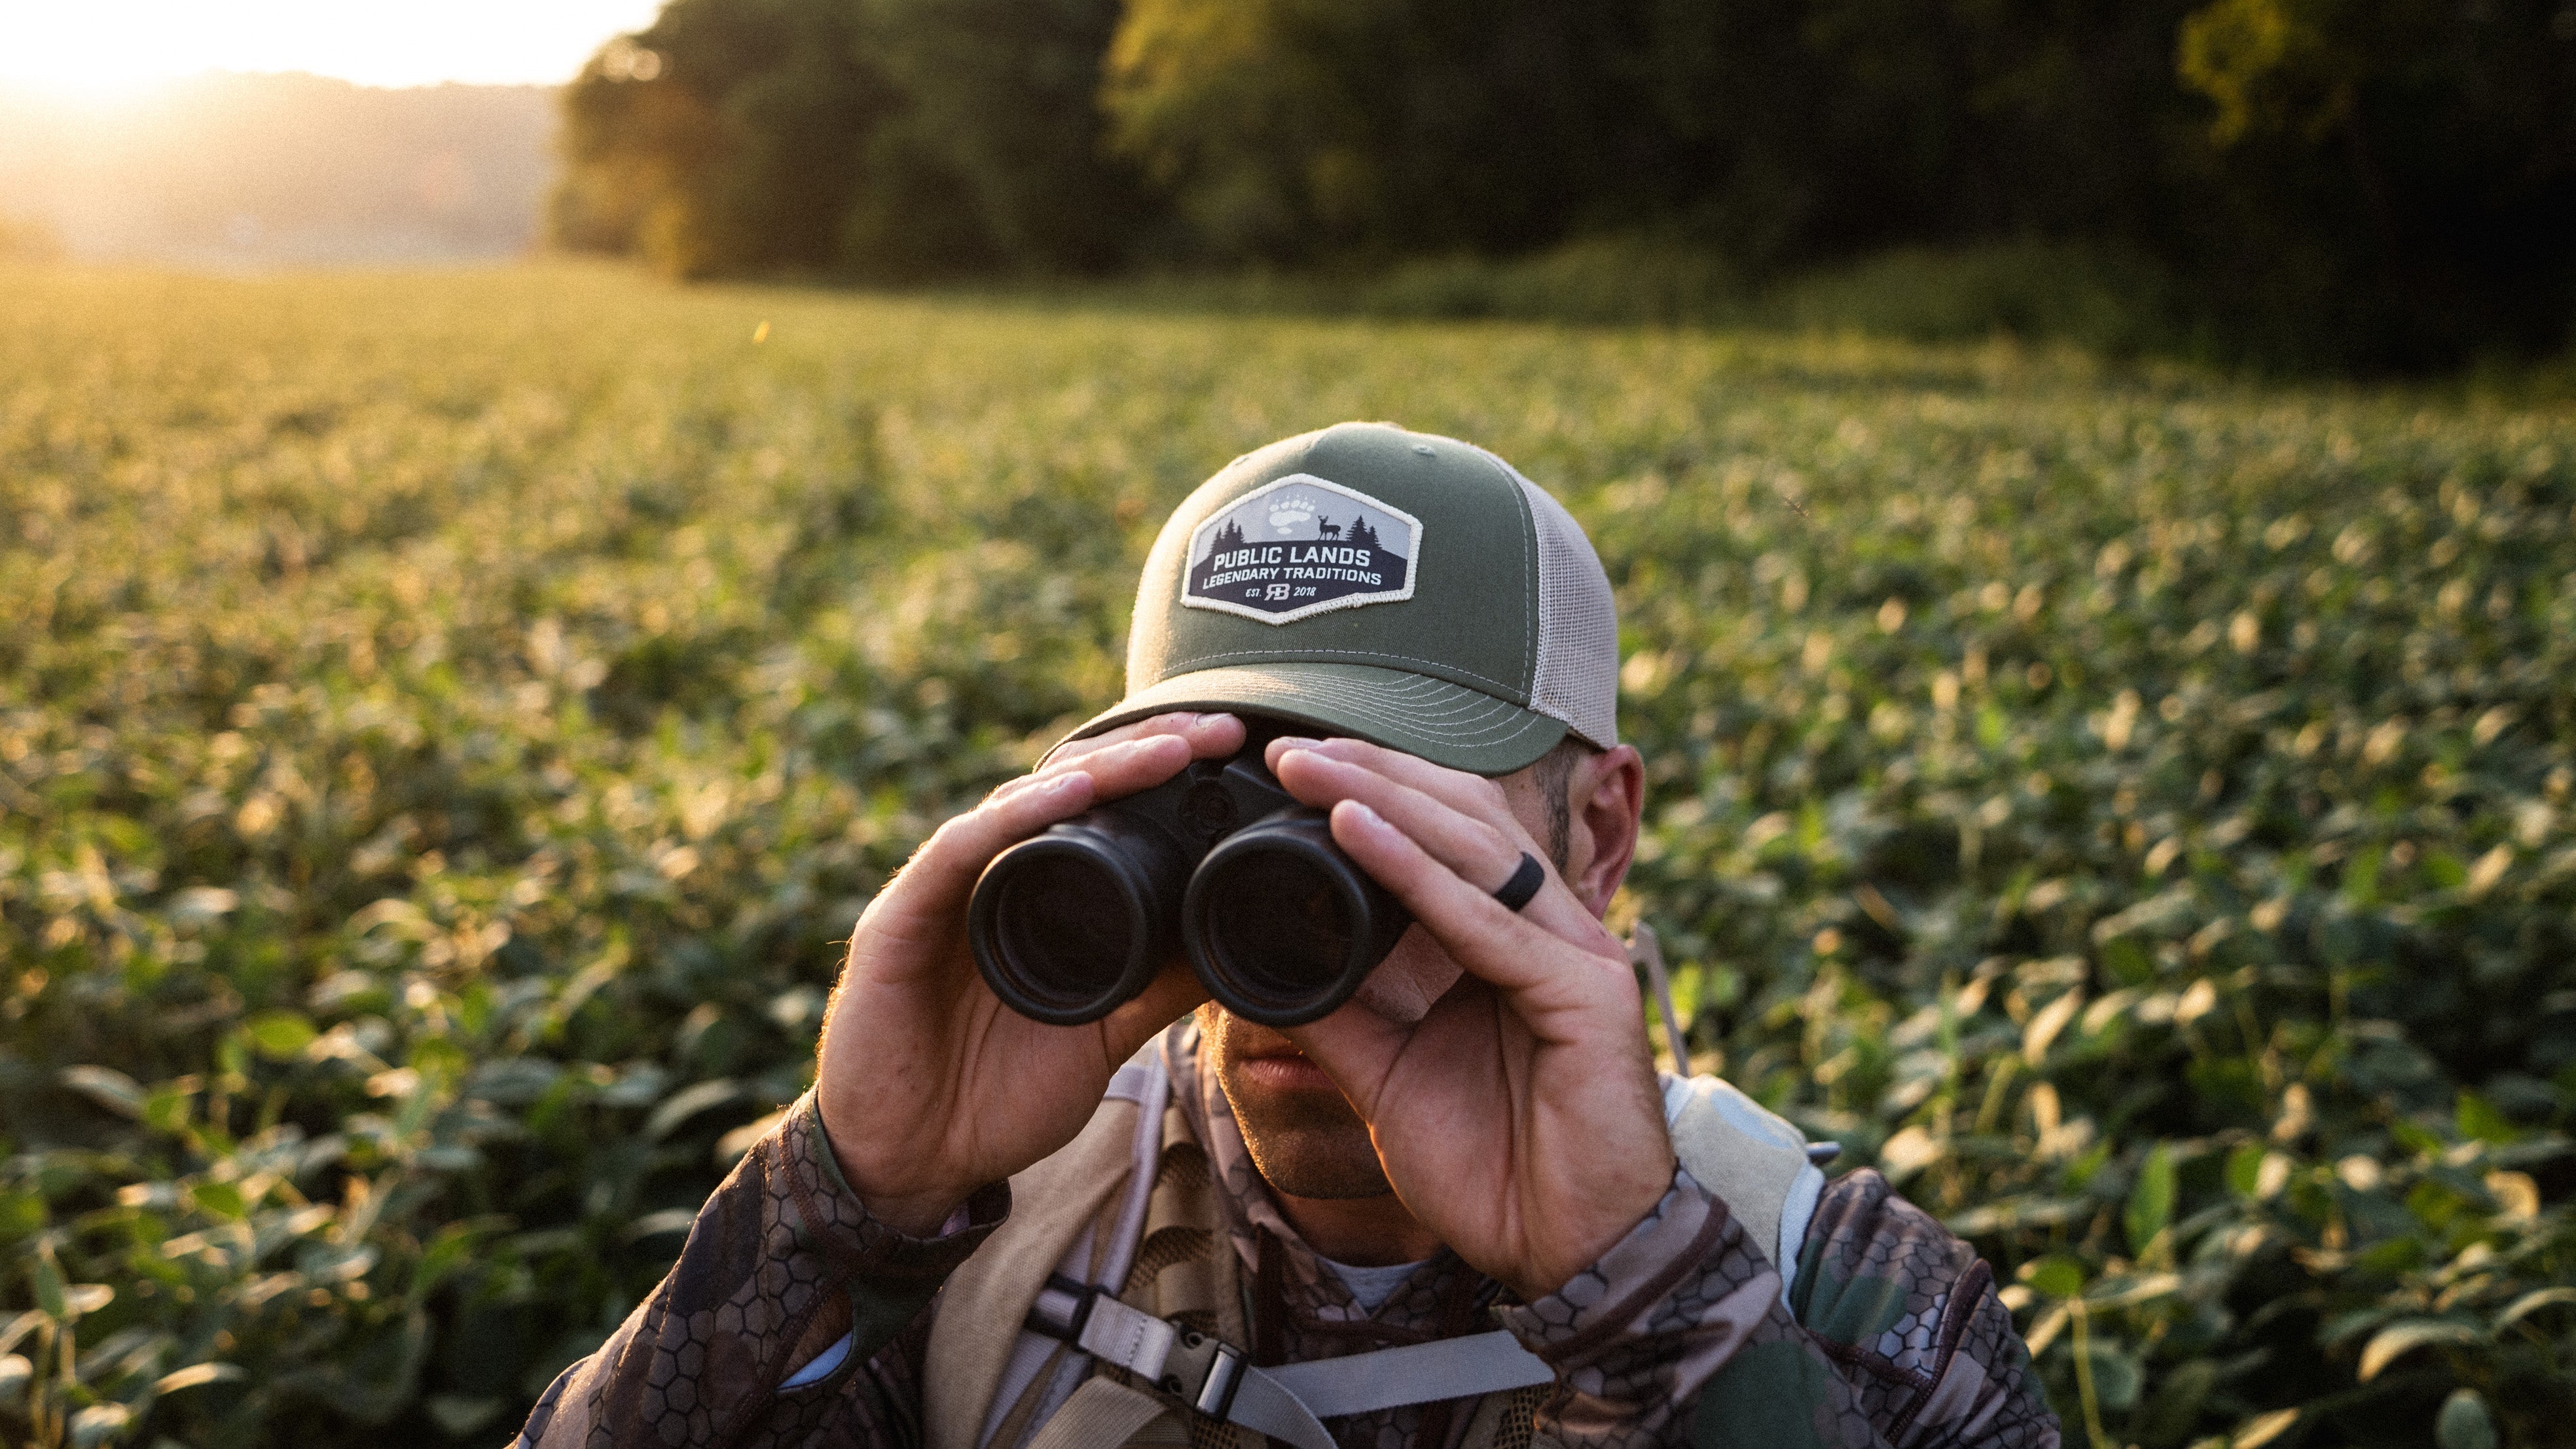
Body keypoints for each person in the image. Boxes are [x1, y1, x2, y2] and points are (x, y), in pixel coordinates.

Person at [511, 423, 2058, 1449]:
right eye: (1213, 807)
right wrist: (842, 1197)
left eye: (1389, 825)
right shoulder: (977, 1254)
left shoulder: (1837, 1293)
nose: (1299, 923)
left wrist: (1651, 1291)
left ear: (1593, 833)